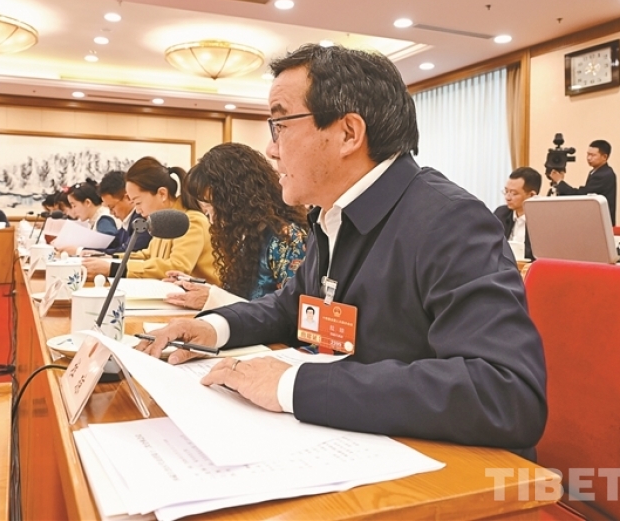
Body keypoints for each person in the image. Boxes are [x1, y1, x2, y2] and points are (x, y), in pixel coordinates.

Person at [139, 44, 546, 455]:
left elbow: (506, 392)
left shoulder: (449, 219)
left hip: (440, 469)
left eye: (280, 125)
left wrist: (291, 385)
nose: (271, 149)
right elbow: (291, 307)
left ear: (349, 133)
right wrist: (213, 328)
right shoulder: (331, 214)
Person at [162, 143, 307, 310]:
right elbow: (241, 297)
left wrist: (214, 299)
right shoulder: (247, 236)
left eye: (216, 209)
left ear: (239, 199)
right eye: (207, 212)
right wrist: (198, 286)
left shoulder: (285, 239)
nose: (213, 220)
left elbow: (291, 312)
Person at [88, 157, 218, 283]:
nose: (137, 211)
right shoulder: (164, 221)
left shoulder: (190, 221)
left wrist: (115, 269)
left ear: (162, 194)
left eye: (138, 202)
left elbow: (177, 267)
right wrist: (110, 258)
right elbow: (147, 255)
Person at [80, 170, 152, 274]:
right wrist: (93, 252)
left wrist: (103, 255)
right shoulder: (127, 221)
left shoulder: (141, 220)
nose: (111, 213)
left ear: (128, 198)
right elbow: (113, 242)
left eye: (112, 207)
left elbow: (130, 250)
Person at [549, 139, 617, 224]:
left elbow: (582, 196)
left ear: (604, 157)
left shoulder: (603, 175)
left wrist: (559, 182)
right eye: (588, 154)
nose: (589, 158)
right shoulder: (596, 172)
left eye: (593, 155)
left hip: (600, 223)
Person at [58, 180, 118, 255]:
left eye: (74, 205)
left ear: (87, 203)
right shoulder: (95, 219)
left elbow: (106, 246)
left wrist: (78, 250)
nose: (73, 211)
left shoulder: (104, 220)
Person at [493, 167, 541, 261]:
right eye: (506, 191)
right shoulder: (501, 214)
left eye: (514, 193)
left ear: (531, 195)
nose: (507, 197)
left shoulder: (542, 221)